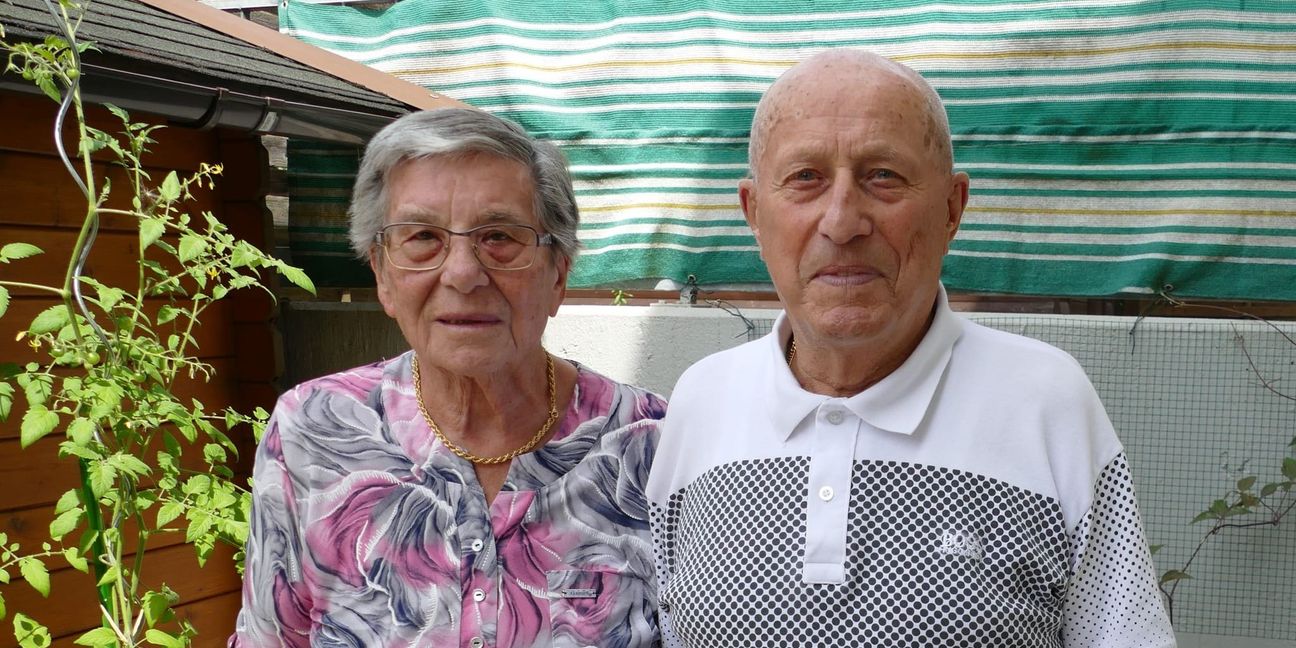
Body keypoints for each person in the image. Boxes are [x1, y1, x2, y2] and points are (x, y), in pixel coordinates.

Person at [646, 50, 1175, 647]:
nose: (843, 221)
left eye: (883, 177)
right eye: (805, 179)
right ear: (754, 213)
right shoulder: (702, 401)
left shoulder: (1046, 402)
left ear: (952, 208)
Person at [230, 109, 665, 648]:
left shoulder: (653, 445)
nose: (462, 273)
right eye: (422, 237)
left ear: (558, 272)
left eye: (499, 237)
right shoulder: (312, 432)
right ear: (383, 274)